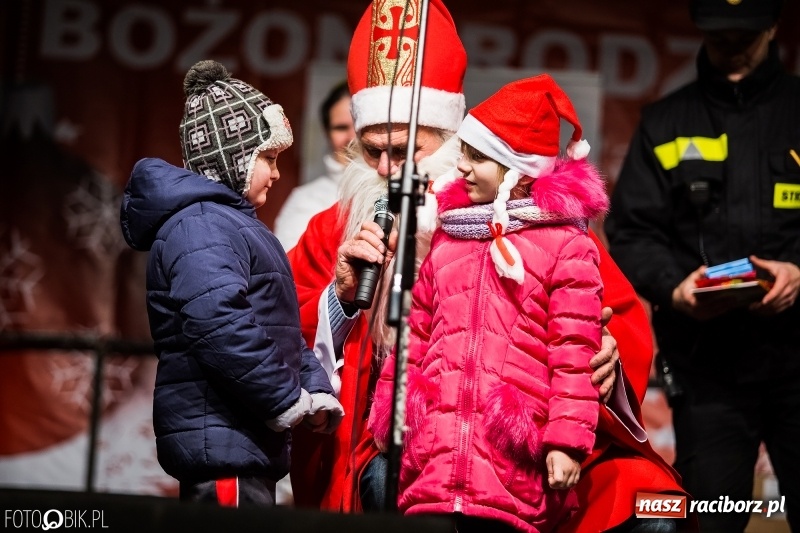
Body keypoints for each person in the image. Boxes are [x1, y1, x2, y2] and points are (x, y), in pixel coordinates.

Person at [289, 1, 683, 531]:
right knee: (385, 480)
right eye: (371, 150)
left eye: (406, 150)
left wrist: (605, 362)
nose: (386, 171)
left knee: (652, 511)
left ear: (453, 142)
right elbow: (279, 334)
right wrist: (338, 301)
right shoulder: (334, 229)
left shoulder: (533, 221)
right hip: (410, 440)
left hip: (528, 430)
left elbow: (614, 320)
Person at [367, 74, 607, 533]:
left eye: (478, 157)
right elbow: (414, 337)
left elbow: (574, 353)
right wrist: (392, 413)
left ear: (514, 169)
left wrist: (566, 442)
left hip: (512, 458)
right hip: (435, 460)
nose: (462, 168)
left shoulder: (566, 245)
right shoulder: (448, 236)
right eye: (464, 154)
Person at [605, 0, 800, 530]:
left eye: (746, 37)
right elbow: (631, 230)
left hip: (798, 358)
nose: (733, 49)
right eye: (720, 38)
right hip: (708, 366)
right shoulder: (666, 122)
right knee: (712, 517)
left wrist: (799, 272)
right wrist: (676, 287)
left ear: (774, 26)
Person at [119, 60, 343, 506]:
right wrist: (284, 397)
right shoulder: (201, 226)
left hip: (243, 439)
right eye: (268, 157)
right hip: (223, 444)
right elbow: (219, 323)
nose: (277, 172)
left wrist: (314, 387)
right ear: (231, 157)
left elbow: (271, 325)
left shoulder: (231, 225)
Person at [273, 80, 355, 250]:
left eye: (359, 126)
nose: (352, 137)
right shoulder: (305, 200)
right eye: (341, 128)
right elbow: (292, 269)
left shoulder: (404, 188)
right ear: (327, 134)